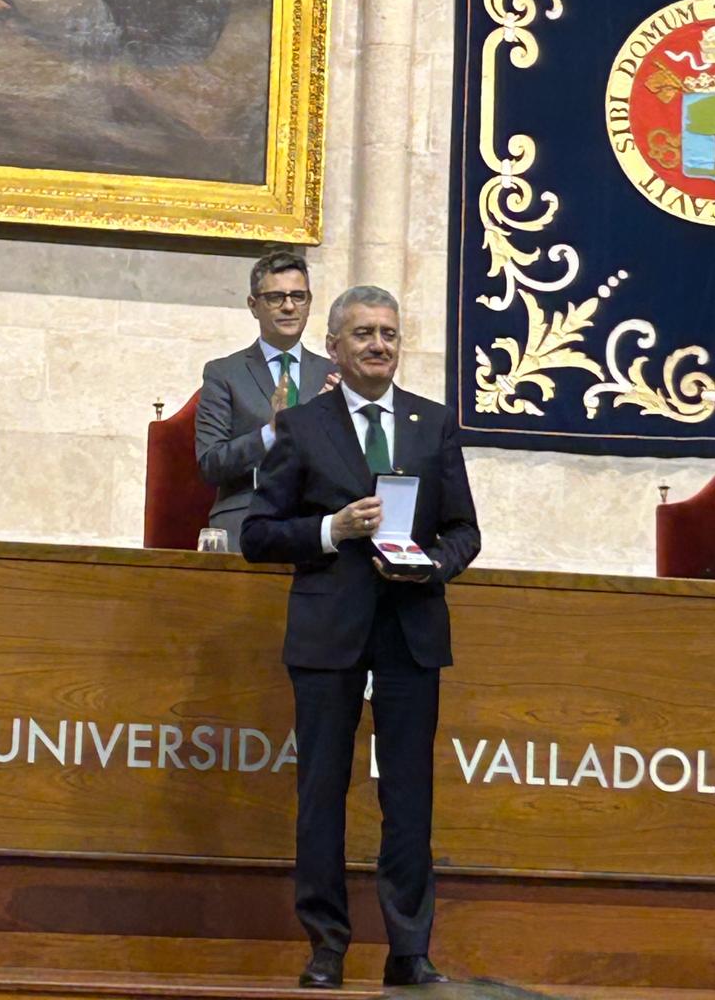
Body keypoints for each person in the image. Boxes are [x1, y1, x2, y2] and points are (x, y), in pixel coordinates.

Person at [241, 286, 480, 991]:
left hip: (411, 631)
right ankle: (326, 946)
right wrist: (331, 529)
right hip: (328, 633)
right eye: (365, 334)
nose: (380, 345)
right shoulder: (304, 426)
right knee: (322, 793)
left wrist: (431, 565)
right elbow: (257, 535)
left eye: (390, 334)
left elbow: (464, 530)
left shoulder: (433, 424)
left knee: (407, 797)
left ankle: (409, 949)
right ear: (337, 347)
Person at [195, 249, 334, 552]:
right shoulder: (223, 373)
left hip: (318, 520)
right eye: (275, 298)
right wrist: (273, 431)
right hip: (245, 516)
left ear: (309, 303)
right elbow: (210, 465)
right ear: (253, 305)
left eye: (298, 296)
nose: (288, 307)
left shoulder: (334, 376)